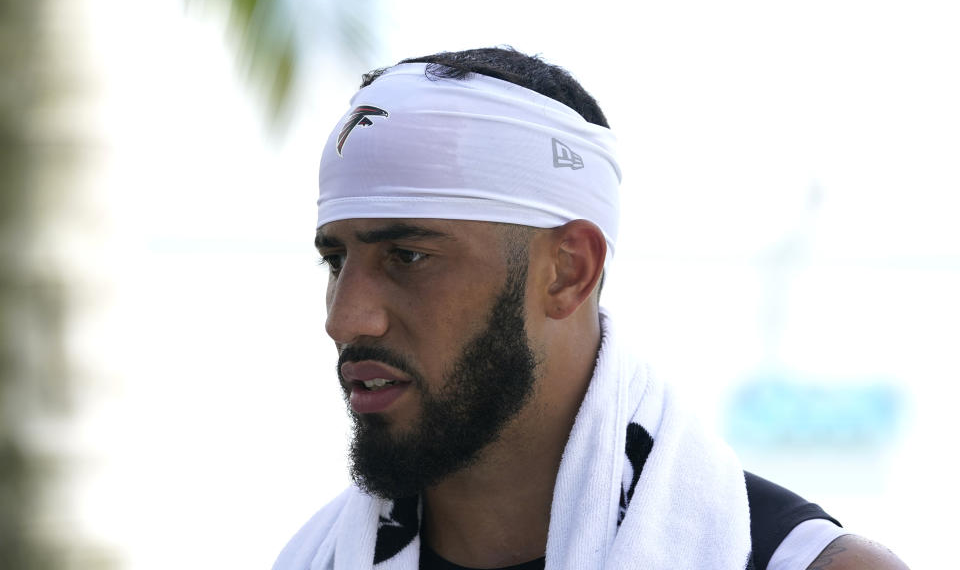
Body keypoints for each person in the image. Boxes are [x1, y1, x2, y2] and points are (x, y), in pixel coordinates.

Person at [273, 47, 909, 570]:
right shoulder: (313, 558)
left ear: (568, 271)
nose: (345, 318)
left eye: (407, 256)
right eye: (336, 260)